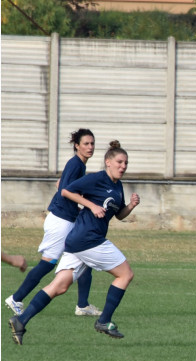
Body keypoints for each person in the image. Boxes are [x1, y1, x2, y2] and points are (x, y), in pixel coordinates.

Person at [8, 140, 140, 345]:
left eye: (126, 163)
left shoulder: (117, 186)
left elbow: (119, 215)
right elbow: (66, 191)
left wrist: (130, 205)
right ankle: (104, 321)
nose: (123, 166)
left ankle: (21, 321)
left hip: (78, 241)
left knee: (59, 286)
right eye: (120, 162)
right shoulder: (97, 179)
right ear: (108, 162)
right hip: (89, 239)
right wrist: (91, 205)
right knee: (125, 274)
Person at [5, 129, 100, 317]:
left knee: (85, 258)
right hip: (61, 222)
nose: (90, 147)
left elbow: (60, 185)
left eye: (92, 143)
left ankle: (83, 306)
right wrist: (88, 205)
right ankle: (16, 298)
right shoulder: (76, 164)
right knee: (48, 263)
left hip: (65, 219)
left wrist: (77, 205)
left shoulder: (78, 165)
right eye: (86, 143)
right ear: (77, 145)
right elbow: (65, 190)